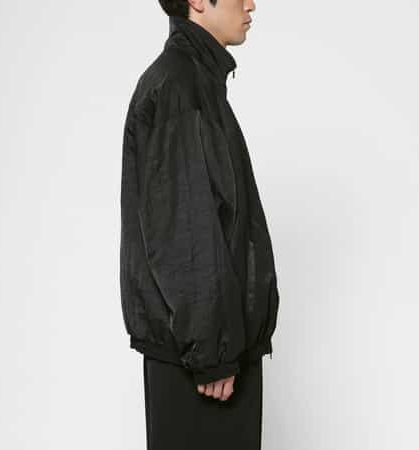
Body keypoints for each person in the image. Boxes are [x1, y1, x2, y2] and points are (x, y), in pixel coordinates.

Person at [120, 1, 280, 448]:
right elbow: (184, 231)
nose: (250, 4)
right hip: (204, 364)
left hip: (212, 351)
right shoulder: (179, 87)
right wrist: (213, 354)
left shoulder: (195, 83)